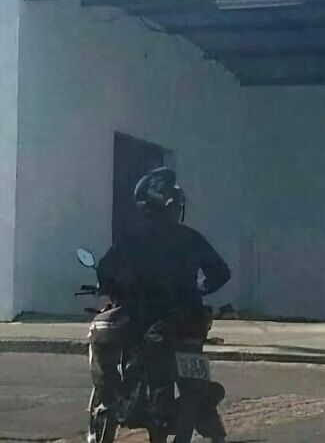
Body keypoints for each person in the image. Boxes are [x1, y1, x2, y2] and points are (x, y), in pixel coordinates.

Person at [89, 166, 231, 442]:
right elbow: (221, 273)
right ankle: (196, 408)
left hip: (143, 316)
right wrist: (200, 289)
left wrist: (110, 285)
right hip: (190, 318)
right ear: (174, 205)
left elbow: (106, 270)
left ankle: (112, 401)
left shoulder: (131, 237)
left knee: (99, 333)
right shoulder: (191, 237)